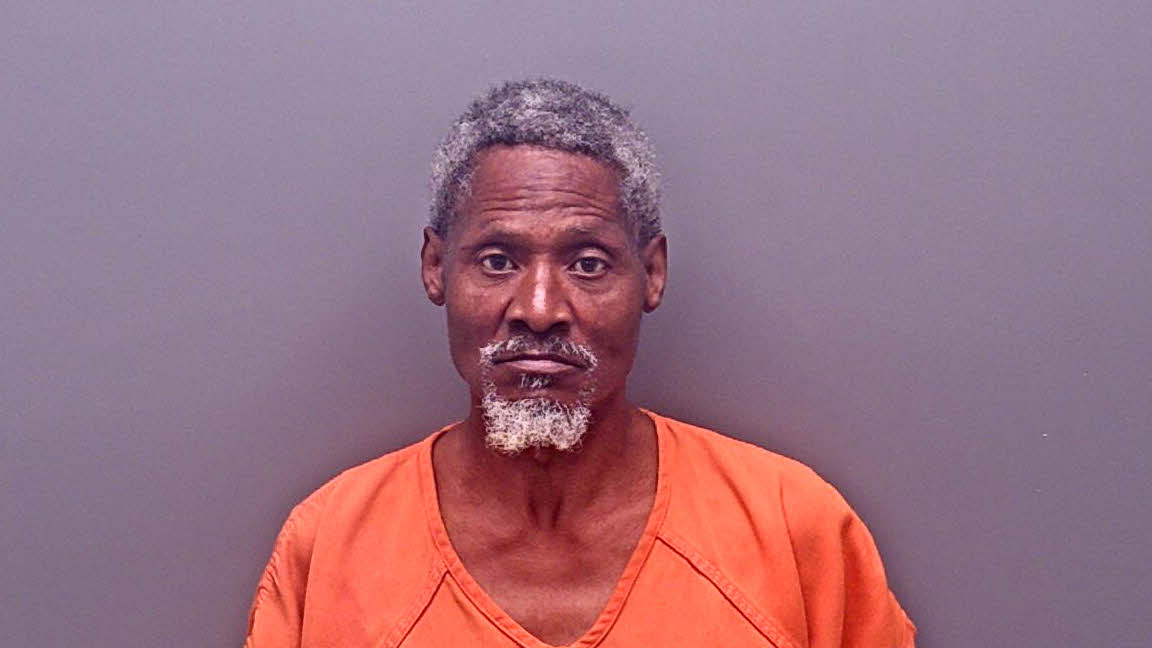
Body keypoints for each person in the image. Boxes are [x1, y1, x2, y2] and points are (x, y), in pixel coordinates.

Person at [244, 78, 916, 648]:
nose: (539, 309)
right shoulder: (329, 547)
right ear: (435, 267)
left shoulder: (793, 531)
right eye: (498, 261)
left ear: (651, 274)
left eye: (588, 264)